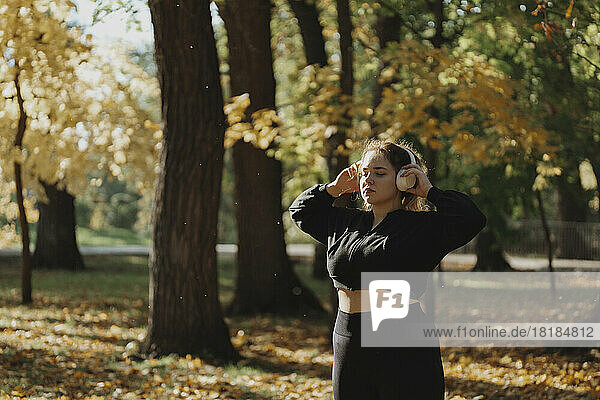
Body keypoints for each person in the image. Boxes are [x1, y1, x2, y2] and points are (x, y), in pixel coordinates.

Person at [288, 138, 486, 399]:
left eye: (380, 173)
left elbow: (471, 218)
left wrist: (428, 191)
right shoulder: (344, 221)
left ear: (404, 180)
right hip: (348, 335)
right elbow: (300, 210)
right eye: (365, 173)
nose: (368, 180)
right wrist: (334, 189)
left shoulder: (422, 228)